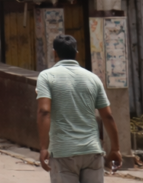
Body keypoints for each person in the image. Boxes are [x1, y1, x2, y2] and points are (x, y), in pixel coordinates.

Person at [37, 34, 123, 182]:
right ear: (76, 53)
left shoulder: (46, 77)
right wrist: (115, 149)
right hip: (92, 152)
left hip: (63, 152)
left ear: (54, 53)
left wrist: (44, 147)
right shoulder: (93, 78)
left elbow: (44, 111)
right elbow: (107, 116)